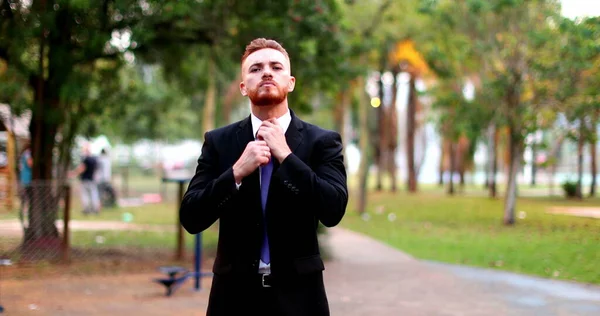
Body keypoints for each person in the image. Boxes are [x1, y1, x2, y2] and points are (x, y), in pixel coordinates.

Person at [180, 38, 348, 316]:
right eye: (256, 68)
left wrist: (287, 157)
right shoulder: (218, 142)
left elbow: (333, 210)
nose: (267, 72)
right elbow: (191, 217)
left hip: (300, 297)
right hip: (233, 297)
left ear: (291, 82)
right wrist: (235, 173)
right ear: (243, 87)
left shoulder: (323, 142)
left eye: (276, 67)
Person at [70, 145, 100, 214]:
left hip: (85, 180)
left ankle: (86, 209)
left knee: (85, 195)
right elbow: (96, 170)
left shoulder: (85, 159)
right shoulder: (94, 159)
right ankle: (95, 209)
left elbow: (82, 168)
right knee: (94, 194)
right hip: (92, 180)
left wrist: (74, 173)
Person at [18, 142, 33, 226]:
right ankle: (24, 213)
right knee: (27, 197)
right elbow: (30, 163)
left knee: (25, 198)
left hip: (25, 179)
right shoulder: (28, 153)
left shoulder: (24, 153)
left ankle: (23, 213)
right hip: (27, 179)